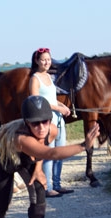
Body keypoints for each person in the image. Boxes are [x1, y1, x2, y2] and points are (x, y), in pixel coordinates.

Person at [0, 95, 99, 218]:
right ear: (26, 123)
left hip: (27, 157)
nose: (41, 127)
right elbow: (50, 153)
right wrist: (83, 146)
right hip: (1, 160)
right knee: (3, 200)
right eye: (35, 123)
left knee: (39, 195)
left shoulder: (52, 130)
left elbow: (42, 148)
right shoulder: (21, 138)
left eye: (45, 121)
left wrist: (38, 168)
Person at [28, 48, 73, 197]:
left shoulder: (48, 76)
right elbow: (37, 101)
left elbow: (52, 99)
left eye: (48, 59)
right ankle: (47, 187)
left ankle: (57, 184)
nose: (47, 62)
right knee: (49, 153)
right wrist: (57, 108)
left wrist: (63, 106)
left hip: (58, 118)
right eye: (43, 60)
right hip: (46, 120)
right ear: (37, 61)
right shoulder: (35, 79)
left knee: (59, 153)